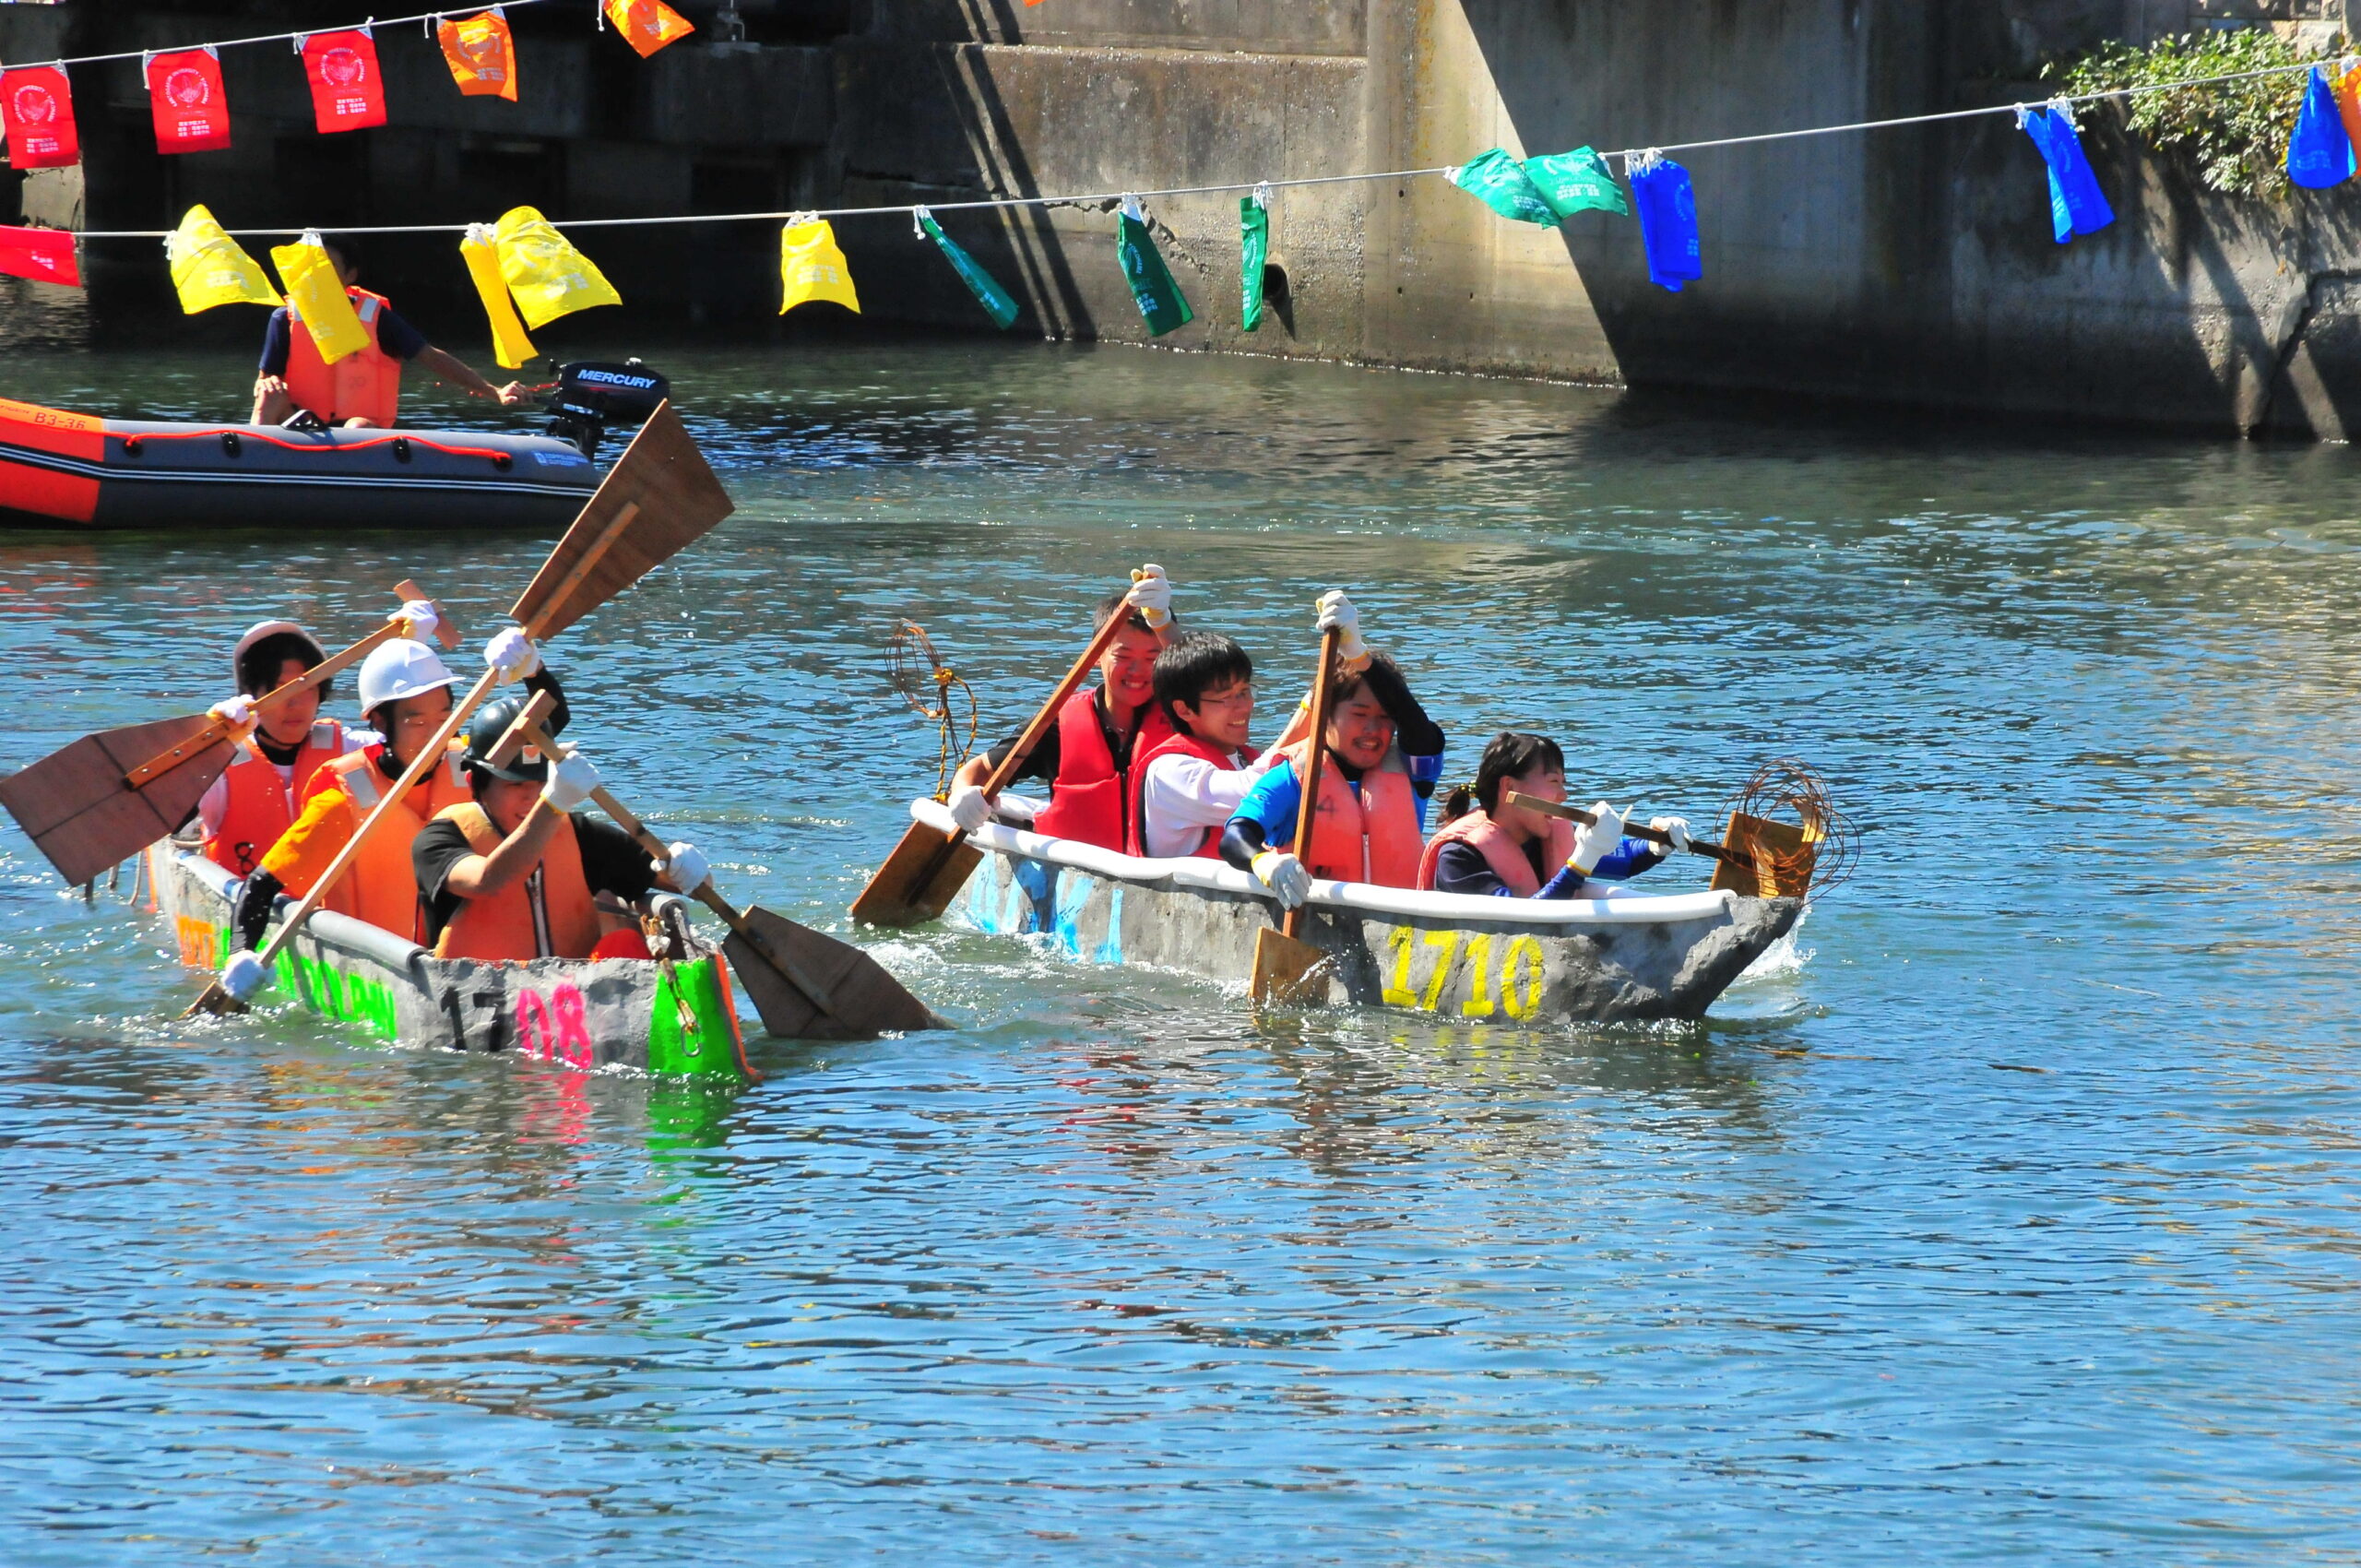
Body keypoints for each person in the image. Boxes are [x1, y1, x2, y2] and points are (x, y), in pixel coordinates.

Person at [219, 624, 558, 1001]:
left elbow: (543, 729)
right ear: (380, 722)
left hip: (475, 966)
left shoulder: (467, 764)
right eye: (417, 722)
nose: (435, 734)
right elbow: (261, 885)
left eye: (444, 717)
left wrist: (533, 670)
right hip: (385, 973)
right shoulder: (343, 798)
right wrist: (240, 953)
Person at [409, 696, 710, 961]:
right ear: (476, 784)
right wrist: (552, 803)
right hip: (481, 1004)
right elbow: (489, 881)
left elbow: (689, 884)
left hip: (574, 1005)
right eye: (516, 785)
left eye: (541, 784)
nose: (532, 798)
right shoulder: (438, 839)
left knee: (626, 944)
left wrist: (689, 868)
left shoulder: (581, 837)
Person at [1219, 590, 1447, 903]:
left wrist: (1359, 655)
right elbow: (1235, 836)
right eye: (1359, 714)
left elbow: (1418, 725)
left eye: (1385, 718)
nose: (1373, 730)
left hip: (1399, 928)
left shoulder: (1412, 772)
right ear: (1325, 715)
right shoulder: (1293, 776)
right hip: (1318, 919)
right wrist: (1264, 862)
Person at [945, 565, 1178, 852]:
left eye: (1152, 657)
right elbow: (980, 768)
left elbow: (1198, 677)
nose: (1137, 671)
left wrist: (1164, 623)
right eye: (1123, 655)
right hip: (1080, 868)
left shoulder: (1185, 714)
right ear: (1096, 656)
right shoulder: (1056, 724)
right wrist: (962, 793)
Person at [250, 239, 528, 430]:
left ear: (350, 276)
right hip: (299, 420)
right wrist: (267, 384)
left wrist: (495, 392)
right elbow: (264, 380)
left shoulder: (377, 318)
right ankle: (246, 466)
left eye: (328, 269)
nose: (317, 277)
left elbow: (430, 357)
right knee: (268, 396)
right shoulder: (283, 318)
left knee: (356, 425)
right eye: (312, 270)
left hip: (357, 425)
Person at [194, 614, 386, 876]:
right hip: (244, 906)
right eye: (279, 690)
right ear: (251, 695)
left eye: (306, 689)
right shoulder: (223, 766)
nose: (295, 704)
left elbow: (416, 747)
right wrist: (211, 747)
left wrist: (410, 651)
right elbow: (167, 810)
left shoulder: (350, 752)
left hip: (331, 909)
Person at [1415, 731, 1691, 898]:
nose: (1564, 796)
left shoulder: (1543, 835)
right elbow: (1518, 923)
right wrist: (1583, 858)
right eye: (1553, 783)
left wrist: (1658, 845)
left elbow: (1623, 863)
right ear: (1509, 787)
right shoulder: (1458, 857)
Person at [1129, 630, 1281, 859]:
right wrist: (1311, 708)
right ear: (1184, 709)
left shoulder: (1247, 760)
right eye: (1226, 698)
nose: (1244, 706)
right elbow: (1261, 796)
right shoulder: (1171, 771)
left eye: (1244, 691)